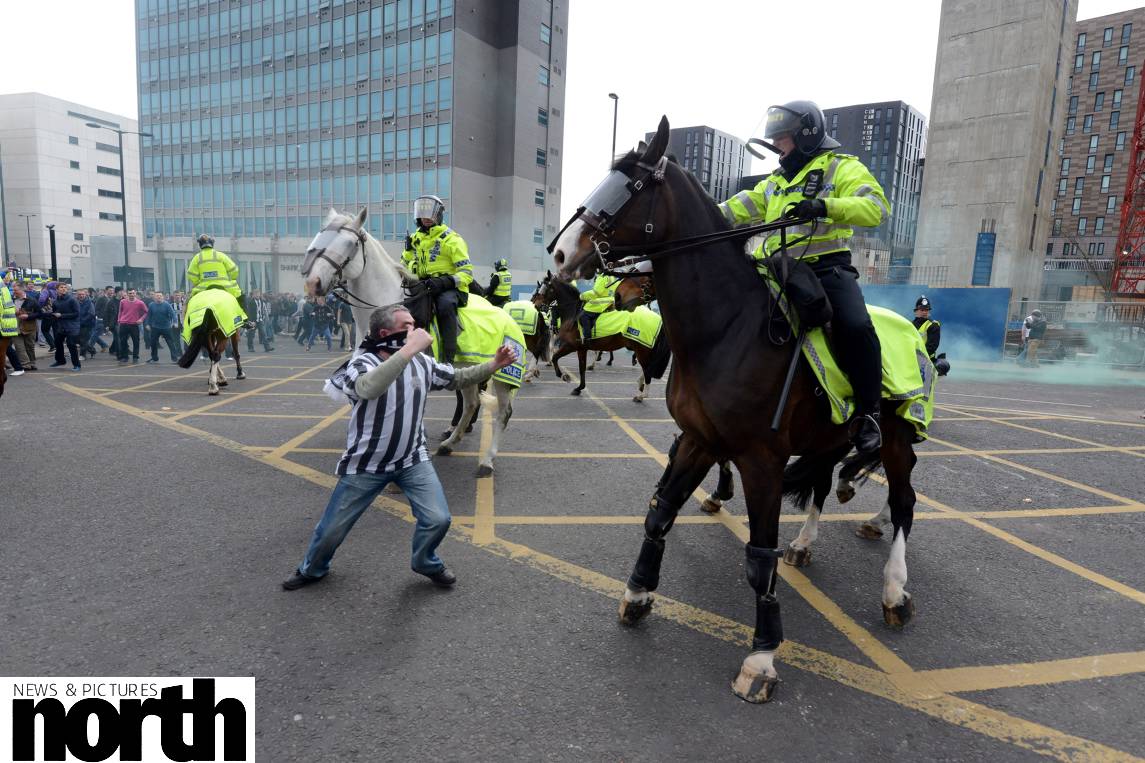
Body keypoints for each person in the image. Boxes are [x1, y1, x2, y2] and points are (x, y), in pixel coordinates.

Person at [282, 304, 519, 590]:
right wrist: (408, 350)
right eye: (407, 326)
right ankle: (312, 568)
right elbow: (369, 387)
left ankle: (425, 561)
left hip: (413, 460)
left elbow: (457, 378)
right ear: (385, 333)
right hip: (367, 464)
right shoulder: (362, 362)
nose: (416, 329)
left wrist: (493, 365)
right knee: (332, 529)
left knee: (438, 519)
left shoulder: (422, 363)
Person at [718, 100, 890, 453]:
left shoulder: (841, 167)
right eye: (776, 140)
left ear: (807, 136)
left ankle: (869, 413)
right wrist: (700, 214)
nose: (778, 148)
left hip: (827, 269)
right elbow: (739, 207)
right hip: (779, 270)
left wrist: (825, 206)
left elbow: (876, 207)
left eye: (782, 139)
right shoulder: (775, 182)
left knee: (856, 326)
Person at [401, 195, 473, 363]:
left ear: (438, 214)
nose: (425, 218)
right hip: (424, 285)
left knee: (445, 305)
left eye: (430, 214)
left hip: (450, 288)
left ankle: (448, 358)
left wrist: (444, 282)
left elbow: (467, 273)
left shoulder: (452, 239)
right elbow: (404, 264)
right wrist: (408, 251)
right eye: (422, 214)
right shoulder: (416, 238)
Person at [186, 233, 256, 329]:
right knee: (241, 297)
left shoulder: (197, 258)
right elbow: (234, 270)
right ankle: (244, 321)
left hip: (204, 287)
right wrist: (232, 277)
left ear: (200, 245)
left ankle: (189, 322)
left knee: (191, 301)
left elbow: (191, 275)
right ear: (212, 244)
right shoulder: (221, 255)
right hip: (225, 286)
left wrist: (198, 281)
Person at [48, 282, 82, 371]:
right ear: (57, 290)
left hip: (72, 326)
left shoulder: (72, 300)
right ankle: (60, 360)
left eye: (65, 287)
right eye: (61, 287)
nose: (63, 289)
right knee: (58, 342)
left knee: (71, 345)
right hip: (61, 326)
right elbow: (55, 313)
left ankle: (77, 365)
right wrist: (49, 312)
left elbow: (77, 314)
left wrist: (61, 315)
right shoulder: (55, 301)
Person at [912, 295, 949, 376]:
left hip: (926, 361)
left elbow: (932, 347)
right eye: (922, 309)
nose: (925, 312)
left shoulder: (933, 325)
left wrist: (919, 358)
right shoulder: (910, 324)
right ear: (916, 311)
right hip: (911, 359)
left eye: (927, 310)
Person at [578, 272, 617, 341]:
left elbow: (595, 293)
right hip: (611, 300)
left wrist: (582, 296)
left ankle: (587, 338)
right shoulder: (612, 276)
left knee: (583, 316)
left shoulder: (602, 277)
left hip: (601, 303)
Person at [10, 283, 40, 371]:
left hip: (29, 327)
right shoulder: (11, 300)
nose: (14, 292)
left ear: (22, 290)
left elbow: (40, 313)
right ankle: (25, 364)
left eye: (16, 290)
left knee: (30, 347)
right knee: (19, 347)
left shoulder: (32, 300)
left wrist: (28, 316)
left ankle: (32, 363)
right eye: (13, 290)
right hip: (15, 327)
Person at [145, 291, 181, 363]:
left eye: (160, 296)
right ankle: (154, 358)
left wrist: (175, 322)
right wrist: (147, 324)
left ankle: (175, 358)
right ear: (154, 297)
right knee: (153, 343)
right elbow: (148, 316)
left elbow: (173, 315)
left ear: (163, 297)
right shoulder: (151, 305)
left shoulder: (167, 305)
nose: (159, 297)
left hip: (166, 327)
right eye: (157, 296)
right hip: (155, 327)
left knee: (171, 343)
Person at [116, 288, 149, 363]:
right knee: (123, 341)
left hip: (134, 325)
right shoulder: (123, 301)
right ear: (127, 294)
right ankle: (125, 357)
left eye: (133, 293)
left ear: (135, 293)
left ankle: (135, 357)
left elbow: (146, 312)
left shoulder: (140, 303)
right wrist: (119, 320)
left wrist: (141, 319)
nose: (131, 295)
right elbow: (120, 311)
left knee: (136, 342)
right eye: (130, 293)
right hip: (123, 324)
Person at [1, 279, 20, 392]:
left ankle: (18, 367)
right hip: (5, 326)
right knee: (9, 350)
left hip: (3, 326)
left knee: (9, 350)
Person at [75, 289, 97, 362]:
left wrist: (83, 321)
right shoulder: (75, 302)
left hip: (87, 324)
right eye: (79, 294)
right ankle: (92, 350)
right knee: (77, 340)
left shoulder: (89, 303)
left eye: (82, 294)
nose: (81, 296)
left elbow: (91, 314)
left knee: (83, 340)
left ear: (85, 295)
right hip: (77, 324)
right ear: (77, 295)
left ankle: (82, 355)